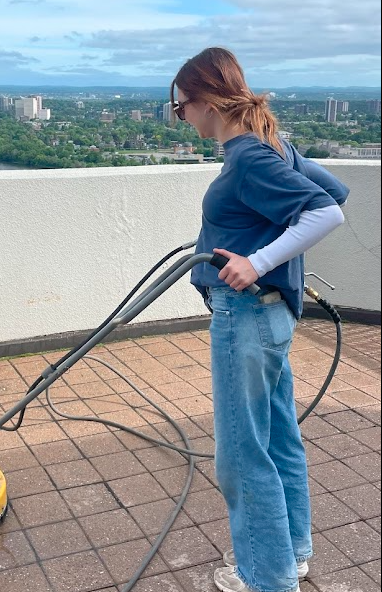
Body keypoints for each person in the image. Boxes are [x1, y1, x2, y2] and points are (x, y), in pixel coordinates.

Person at [170, 48, 349, 592]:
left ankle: (265, 578)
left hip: (244, 320)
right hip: (271, 321)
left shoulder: (248, 156)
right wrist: (255, 239)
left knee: (242, 458)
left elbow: (326, 211)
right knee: (277, 441)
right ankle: (290, 556)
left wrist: (257, 261)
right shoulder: (273, 145)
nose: (182, 119)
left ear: (203, 102)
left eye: (181, 109)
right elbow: (333, 190)